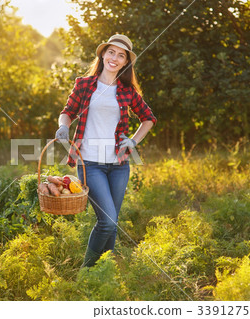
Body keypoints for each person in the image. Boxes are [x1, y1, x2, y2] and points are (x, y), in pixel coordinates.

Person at [55, 34, 157, 267]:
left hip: (118, 165)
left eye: (121, 55)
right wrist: (63, 126)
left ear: (125, 63)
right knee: (108, 221)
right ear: (103, 54)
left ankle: (105, 273)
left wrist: (133, 141)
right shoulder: (84, 84)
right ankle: (86, 271)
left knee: (112, 221)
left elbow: (148, 119)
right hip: (89, 163)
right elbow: (68, 111)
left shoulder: (127, 91)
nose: (115, 58)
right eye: (111, 52)